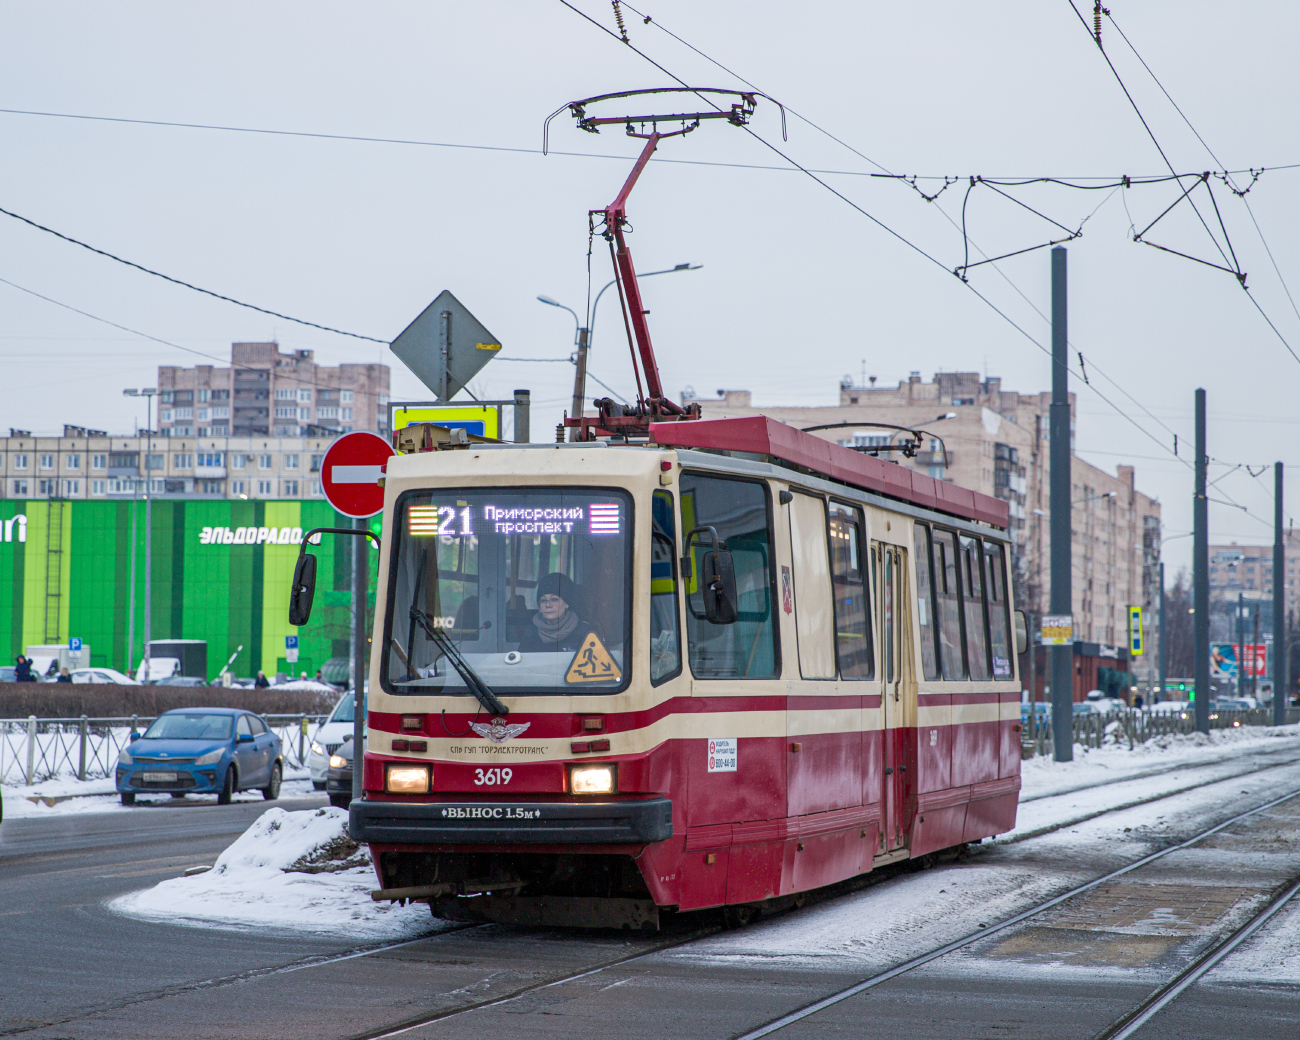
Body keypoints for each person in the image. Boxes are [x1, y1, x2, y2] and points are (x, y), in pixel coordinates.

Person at [518, 573, 594, 653]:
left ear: (567, 603)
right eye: (543, 600)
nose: (548, 605)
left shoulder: (585, 632)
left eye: (554, 599)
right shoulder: (531, 633)